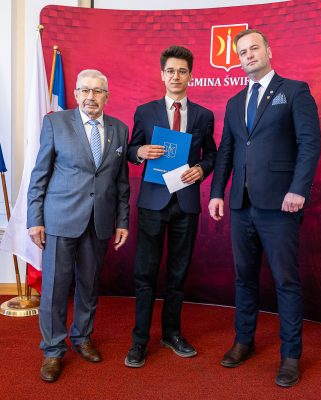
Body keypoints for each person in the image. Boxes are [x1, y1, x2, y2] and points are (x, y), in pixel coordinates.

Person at [208, 29, 321, 387]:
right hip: (241, 205)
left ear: (269, 51)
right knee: (244, 277)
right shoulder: (234, 102)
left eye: (254, 48)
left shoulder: (295, 91)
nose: (248, 55)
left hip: (281, 205)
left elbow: (310, 143)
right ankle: (244, 341)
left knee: (286, 281)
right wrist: (217, 193)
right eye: (242, 52)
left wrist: (298, 189)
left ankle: (290, 356)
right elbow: (226, 151)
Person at [27, 69, 130, 382]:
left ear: (106, 96)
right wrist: (35, 219)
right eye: (85, 90)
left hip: (99, 222)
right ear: (75, 94)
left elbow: (121, 181)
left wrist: (122, 220)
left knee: (89, 285)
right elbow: (39, 174)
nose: (90, 97)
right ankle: (53, 349)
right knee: (55, 288)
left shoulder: (120, 129)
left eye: (97, 91)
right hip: (60, 219)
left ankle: (82, 336)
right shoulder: (55, 123)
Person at [125, 45, 217, 368]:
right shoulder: (145, 111)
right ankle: (139, 340)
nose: (176, 76)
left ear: (190, 75)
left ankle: (171, 333)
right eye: (170, 71)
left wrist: (202, 169)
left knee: (178, 275)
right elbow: (130, 149)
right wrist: (140, 152)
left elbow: (212, 154)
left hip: (185, 203)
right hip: (152, 202)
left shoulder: (204, 115)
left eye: (182, 71)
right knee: (145, 275)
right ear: (162, 75)